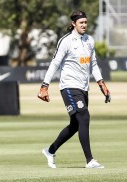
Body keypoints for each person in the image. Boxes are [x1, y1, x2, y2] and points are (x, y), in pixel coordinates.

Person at [37, 10, 111, 169]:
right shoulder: (66, 41)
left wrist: (101, 84)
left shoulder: (89, 40)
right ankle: (90, 160)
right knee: (84, 117)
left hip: (84, 88)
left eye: (85, 22)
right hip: (69, 87)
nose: (84, 25)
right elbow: (55, 64)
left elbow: (94, 65)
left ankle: (50, 151)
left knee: (76, 125)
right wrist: (45, 86)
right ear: (73, 24)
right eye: (81, 23)